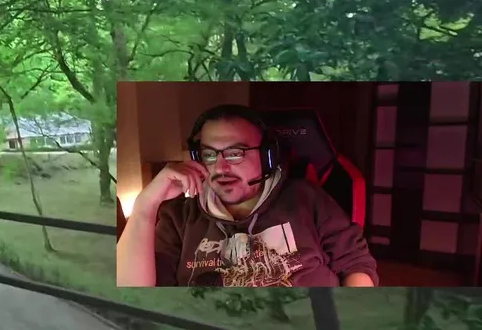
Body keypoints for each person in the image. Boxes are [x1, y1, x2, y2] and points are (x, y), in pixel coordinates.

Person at [117, 104, 378, 287]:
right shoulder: (179, 217)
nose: (221, 167)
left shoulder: (308, 199)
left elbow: (356, 265)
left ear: (267, 157)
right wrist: (145, 206)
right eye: (210, 154)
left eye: (235, 153)